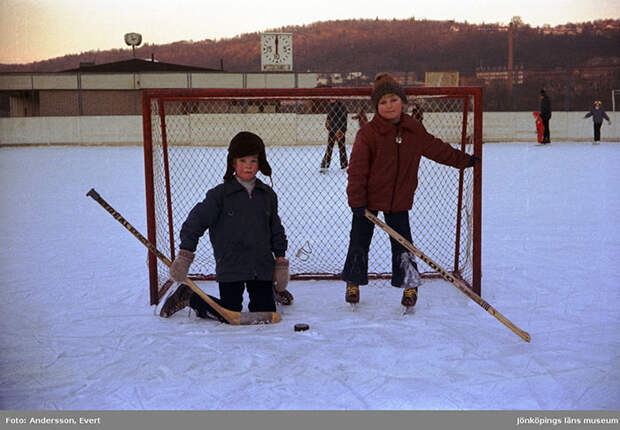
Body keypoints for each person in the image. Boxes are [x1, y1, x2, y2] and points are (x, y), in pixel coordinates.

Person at [342, 73, 479, 309]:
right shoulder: (368, 134)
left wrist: (463, 160)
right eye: (383, 102)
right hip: (367, 200)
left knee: (403, 245)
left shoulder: (414, 130)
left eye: (393, 99)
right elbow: (356, 170)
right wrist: (357, 202)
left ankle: (410, 285)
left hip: (399, 200)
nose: (389, 106)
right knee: (359, 241)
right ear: (376, 106)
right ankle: (353, 282)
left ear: (402, 101)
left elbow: (437, 148)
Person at [159, 131, 293, 320]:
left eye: (253, 161)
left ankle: (270, 291)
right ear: (233, 163)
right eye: (243, 160)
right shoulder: (219, 195)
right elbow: (195, 222)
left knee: (264, 312)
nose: (248, 166)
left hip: (261, 265)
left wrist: (280, 262)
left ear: (260, 163)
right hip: (231, 265)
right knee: (230, 311)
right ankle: (188, 296)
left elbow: (276, 229)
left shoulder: (267, 195)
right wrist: (185, 256)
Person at [320, 99, 349, 172]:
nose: (331, 98)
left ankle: (344, 165)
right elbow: (329, 116)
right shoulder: (330, 105)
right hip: (332, 129)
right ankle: (325, 165)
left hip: (340, 130)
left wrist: (341, 130)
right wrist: (327, 121)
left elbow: (344, 119)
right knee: (329, 147)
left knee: (342, 147)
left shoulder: (341, 105)